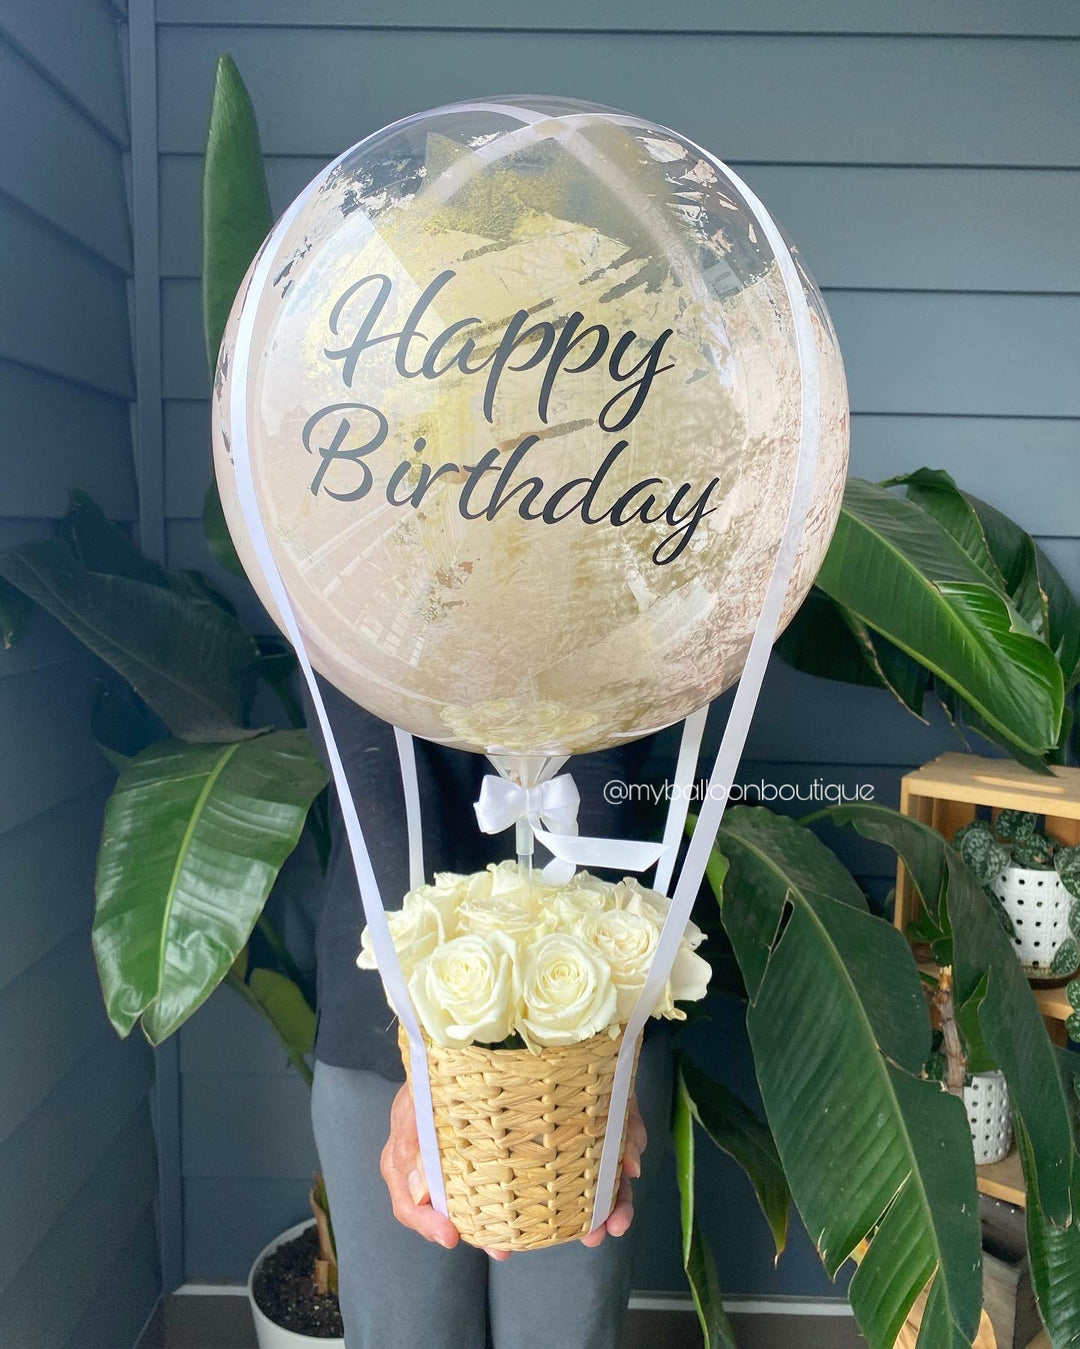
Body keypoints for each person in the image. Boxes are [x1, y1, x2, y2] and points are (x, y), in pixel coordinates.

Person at [306, 680, 673, 1349]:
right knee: (408, 1333)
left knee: (565, 1328)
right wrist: (423, 1049)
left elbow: (605, 749)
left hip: (586, 1013)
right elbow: (372, 764)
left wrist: (598, 1037)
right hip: (382, 1008)